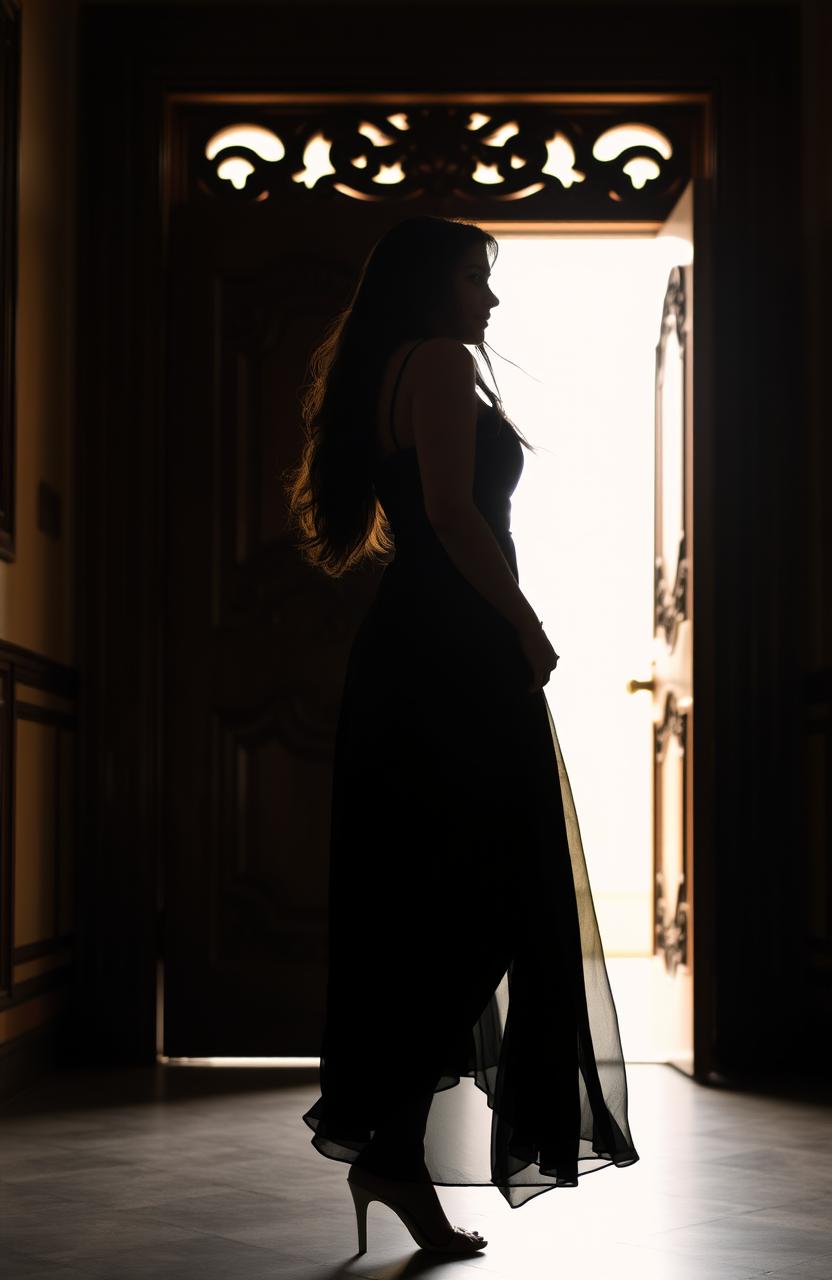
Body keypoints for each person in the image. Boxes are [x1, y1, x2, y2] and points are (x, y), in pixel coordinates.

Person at [284, 215, 639, 1256]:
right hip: (451, 649)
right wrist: (525, 624)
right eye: (476, 279)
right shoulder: (438, 358)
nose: (488, 300)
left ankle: (392, 1151)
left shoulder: (409, 361)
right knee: (489, 888)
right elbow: (448, 507)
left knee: (453, 898)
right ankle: (393, 1150)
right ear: (435, 283)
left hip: (425, 648)